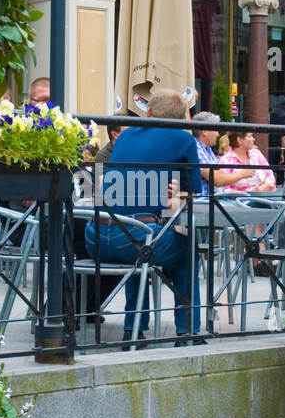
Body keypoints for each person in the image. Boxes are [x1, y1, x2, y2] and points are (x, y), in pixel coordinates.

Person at [85, 88, 201, 346]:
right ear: (183, 117)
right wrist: (174, 191)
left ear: (148, 112)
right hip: (133, 240)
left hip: (94, 238)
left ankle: (133, 327)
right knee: (185, 249)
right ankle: (188, 331)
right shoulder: (184, 140)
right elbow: (195, 191)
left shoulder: (124, 138)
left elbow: (125, 185)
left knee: (141, 242)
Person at [191, 112, 254, 196]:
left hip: (210, 202)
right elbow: (217, 179)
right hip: (202, 203)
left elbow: (220, 174)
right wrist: (242, 174)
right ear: (205, 131)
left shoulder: (207, 149)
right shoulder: (196, 148)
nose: (218, 134)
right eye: (215, 130)